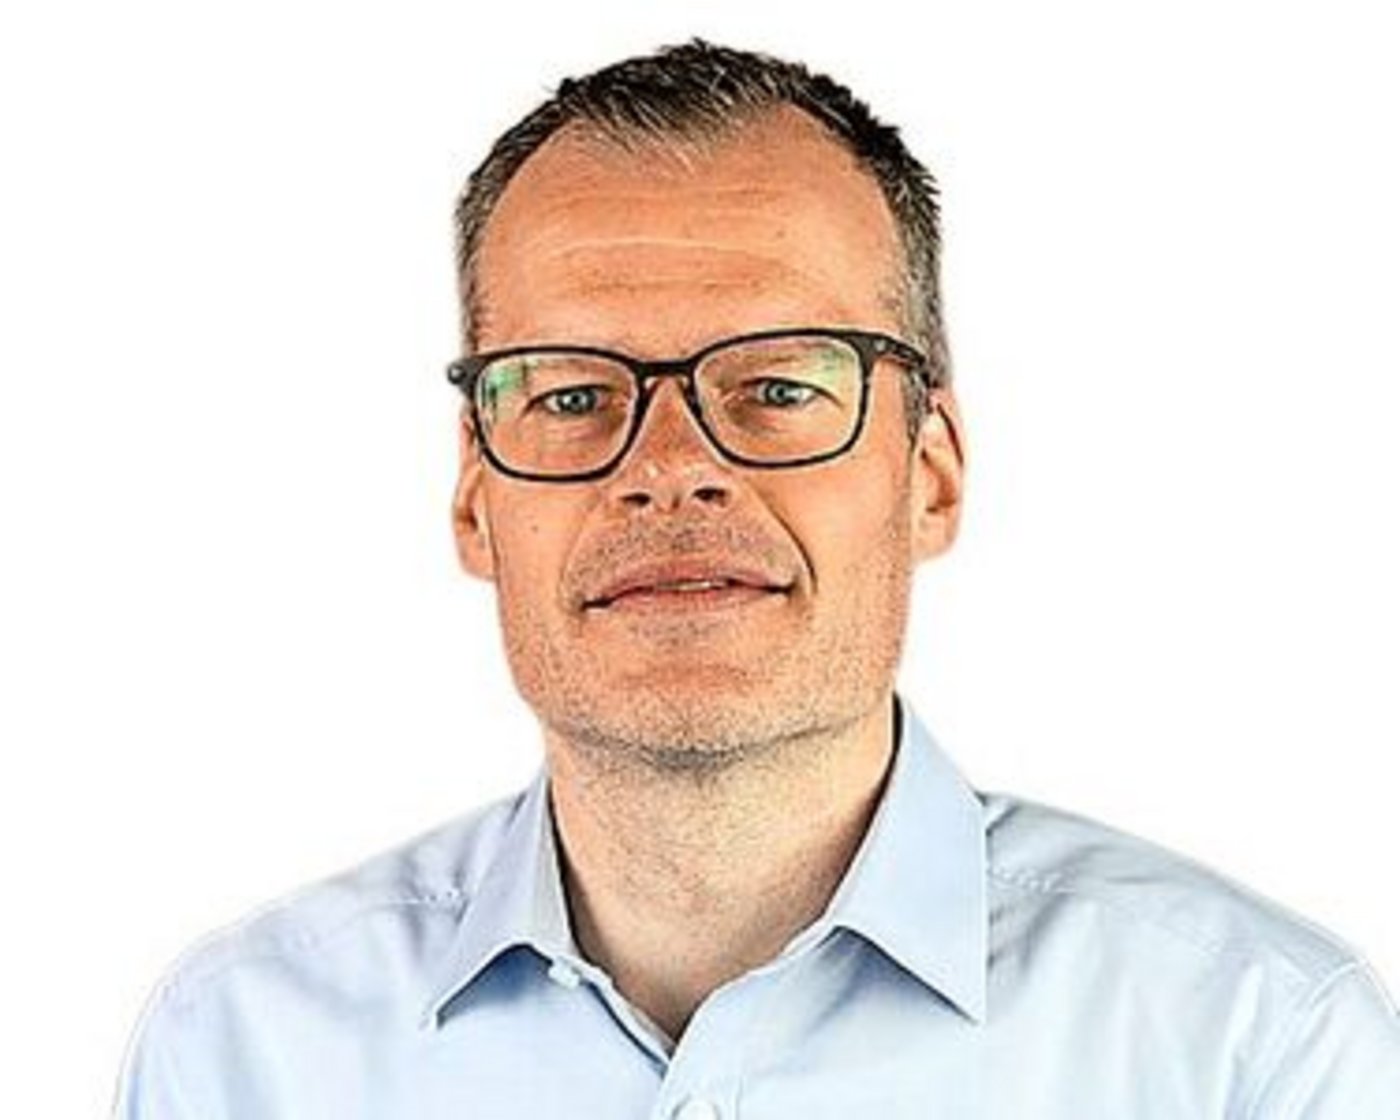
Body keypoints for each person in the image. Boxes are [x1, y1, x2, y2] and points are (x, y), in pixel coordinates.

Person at [114, 39, 1399, 1118]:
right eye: (571, 395)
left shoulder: (1252, 1051)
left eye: (777, 386)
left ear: (930, 474)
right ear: (473, 496)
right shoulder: (243, 1053)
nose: (670, 470)